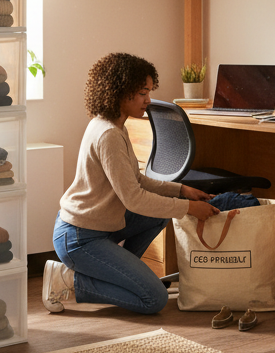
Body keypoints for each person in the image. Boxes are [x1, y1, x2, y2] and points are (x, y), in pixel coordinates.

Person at [42, 52, 219, 315]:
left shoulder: (114, 124)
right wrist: (189, 208)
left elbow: (135, 180)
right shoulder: (109, 135)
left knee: (158, 215)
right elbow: (134, 199)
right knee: (153, 299)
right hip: (80, 237)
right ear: (119, 92)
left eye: (148, 91)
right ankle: (68, 279)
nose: (148, 100)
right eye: (142, 93)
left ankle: (119, 274)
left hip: (96, 226)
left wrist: (181, 190)